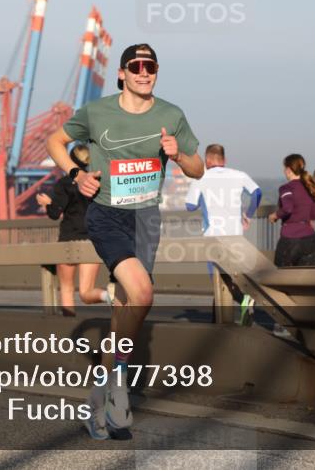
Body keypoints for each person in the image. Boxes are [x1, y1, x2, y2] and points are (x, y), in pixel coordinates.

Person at [46, 43, 202, 440]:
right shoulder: (97, 112)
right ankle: (118, 383)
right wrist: (75, 175)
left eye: (150, 66)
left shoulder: (171, 114)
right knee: (144, 293)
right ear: (122, 73)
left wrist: (179, 155)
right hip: (107, 214)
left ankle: (102, 396)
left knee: (126, 303)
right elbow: (54, 142)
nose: (143, 72)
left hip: (147, 218)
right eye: (135, 66)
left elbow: (198, 168)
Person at [184, 143, 262, 325]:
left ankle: (242, 301)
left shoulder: (200, 178)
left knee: (218, 281)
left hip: (213, 238)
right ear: (224, 160)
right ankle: (220, 318)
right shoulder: (238, 175)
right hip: (235, 236)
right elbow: (257, 193)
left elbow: (189, 206)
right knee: (232, 276)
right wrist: (248, 215)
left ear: (207, 160)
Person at [36, 144, 109, 316]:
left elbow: (55, 214)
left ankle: (68, 329)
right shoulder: (98, 182)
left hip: (69, 239)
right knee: (86, 292)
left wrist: (47, 204)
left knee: (67, 288)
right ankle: (108, 296)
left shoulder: (64, 184)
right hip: (92, 240)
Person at [268, 154, 315, 267]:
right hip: (311, 240)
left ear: (288, 170)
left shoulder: (286, 188)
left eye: (284, 168)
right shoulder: (311, 187)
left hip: (290, 239)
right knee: (306, 280)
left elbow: (287, 208)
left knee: (282, 278)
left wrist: (274, 215)